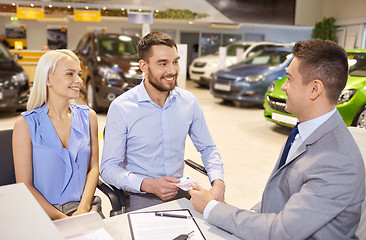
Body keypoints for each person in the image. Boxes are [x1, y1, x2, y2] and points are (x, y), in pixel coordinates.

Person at [189, 39, 365, 239]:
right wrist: (248, 216)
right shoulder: (305, 130)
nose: (283, 87)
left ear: (314, 89)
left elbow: (281, 232)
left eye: (289, 79)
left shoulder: (337, 162)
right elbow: (280, 198)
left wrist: (211, 208)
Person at [100, 32, 225, 211]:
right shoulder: (122, 107)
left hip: (179, 190)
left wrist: (218, 182)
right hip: (141, 194)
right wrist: (148, 184)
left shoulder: (188, 102)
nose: (172, 71)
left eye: (175, 62)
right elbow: (109, 168)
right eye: (163, 64)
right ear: (143, 66)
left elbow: (208, 148)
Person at [12, 50, 101, 220]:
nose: (79, 81)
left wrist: (83, 210)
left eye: (79, 74)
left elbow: (93, 168)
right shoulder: (25, 125)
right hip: (42, 212)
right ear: (48, 79)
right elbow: (25, 185)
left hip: (83, 208)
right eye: (70, 74)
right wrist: (64, 220)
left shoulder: (89, 117)